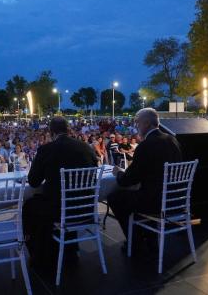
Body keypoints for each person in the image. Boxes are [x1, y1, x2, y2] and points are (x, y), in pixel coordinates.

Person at [23, 116, 98, 267]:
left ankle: (38, 255)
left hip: (59, 210)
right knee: (54, 200)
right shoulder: (86, 147)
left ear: (51, 132)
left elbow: (33, 181)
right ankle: (69, 248)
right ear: (68, 130)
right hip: (86, 207)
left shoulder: (46, 149)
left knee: (29, 206)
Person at [107, 108, 182, 248]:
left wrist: (118, 173)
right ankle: (148, 235)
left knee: (115, 198)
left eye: (137, 122)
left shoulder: (146, 145)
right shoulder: (173, 140)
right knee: (139, 194)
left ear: (147, 123)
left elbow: (128, 180)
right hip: (175, 199)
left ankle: (135, 241)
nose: (136, 126)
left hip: (155, 201)